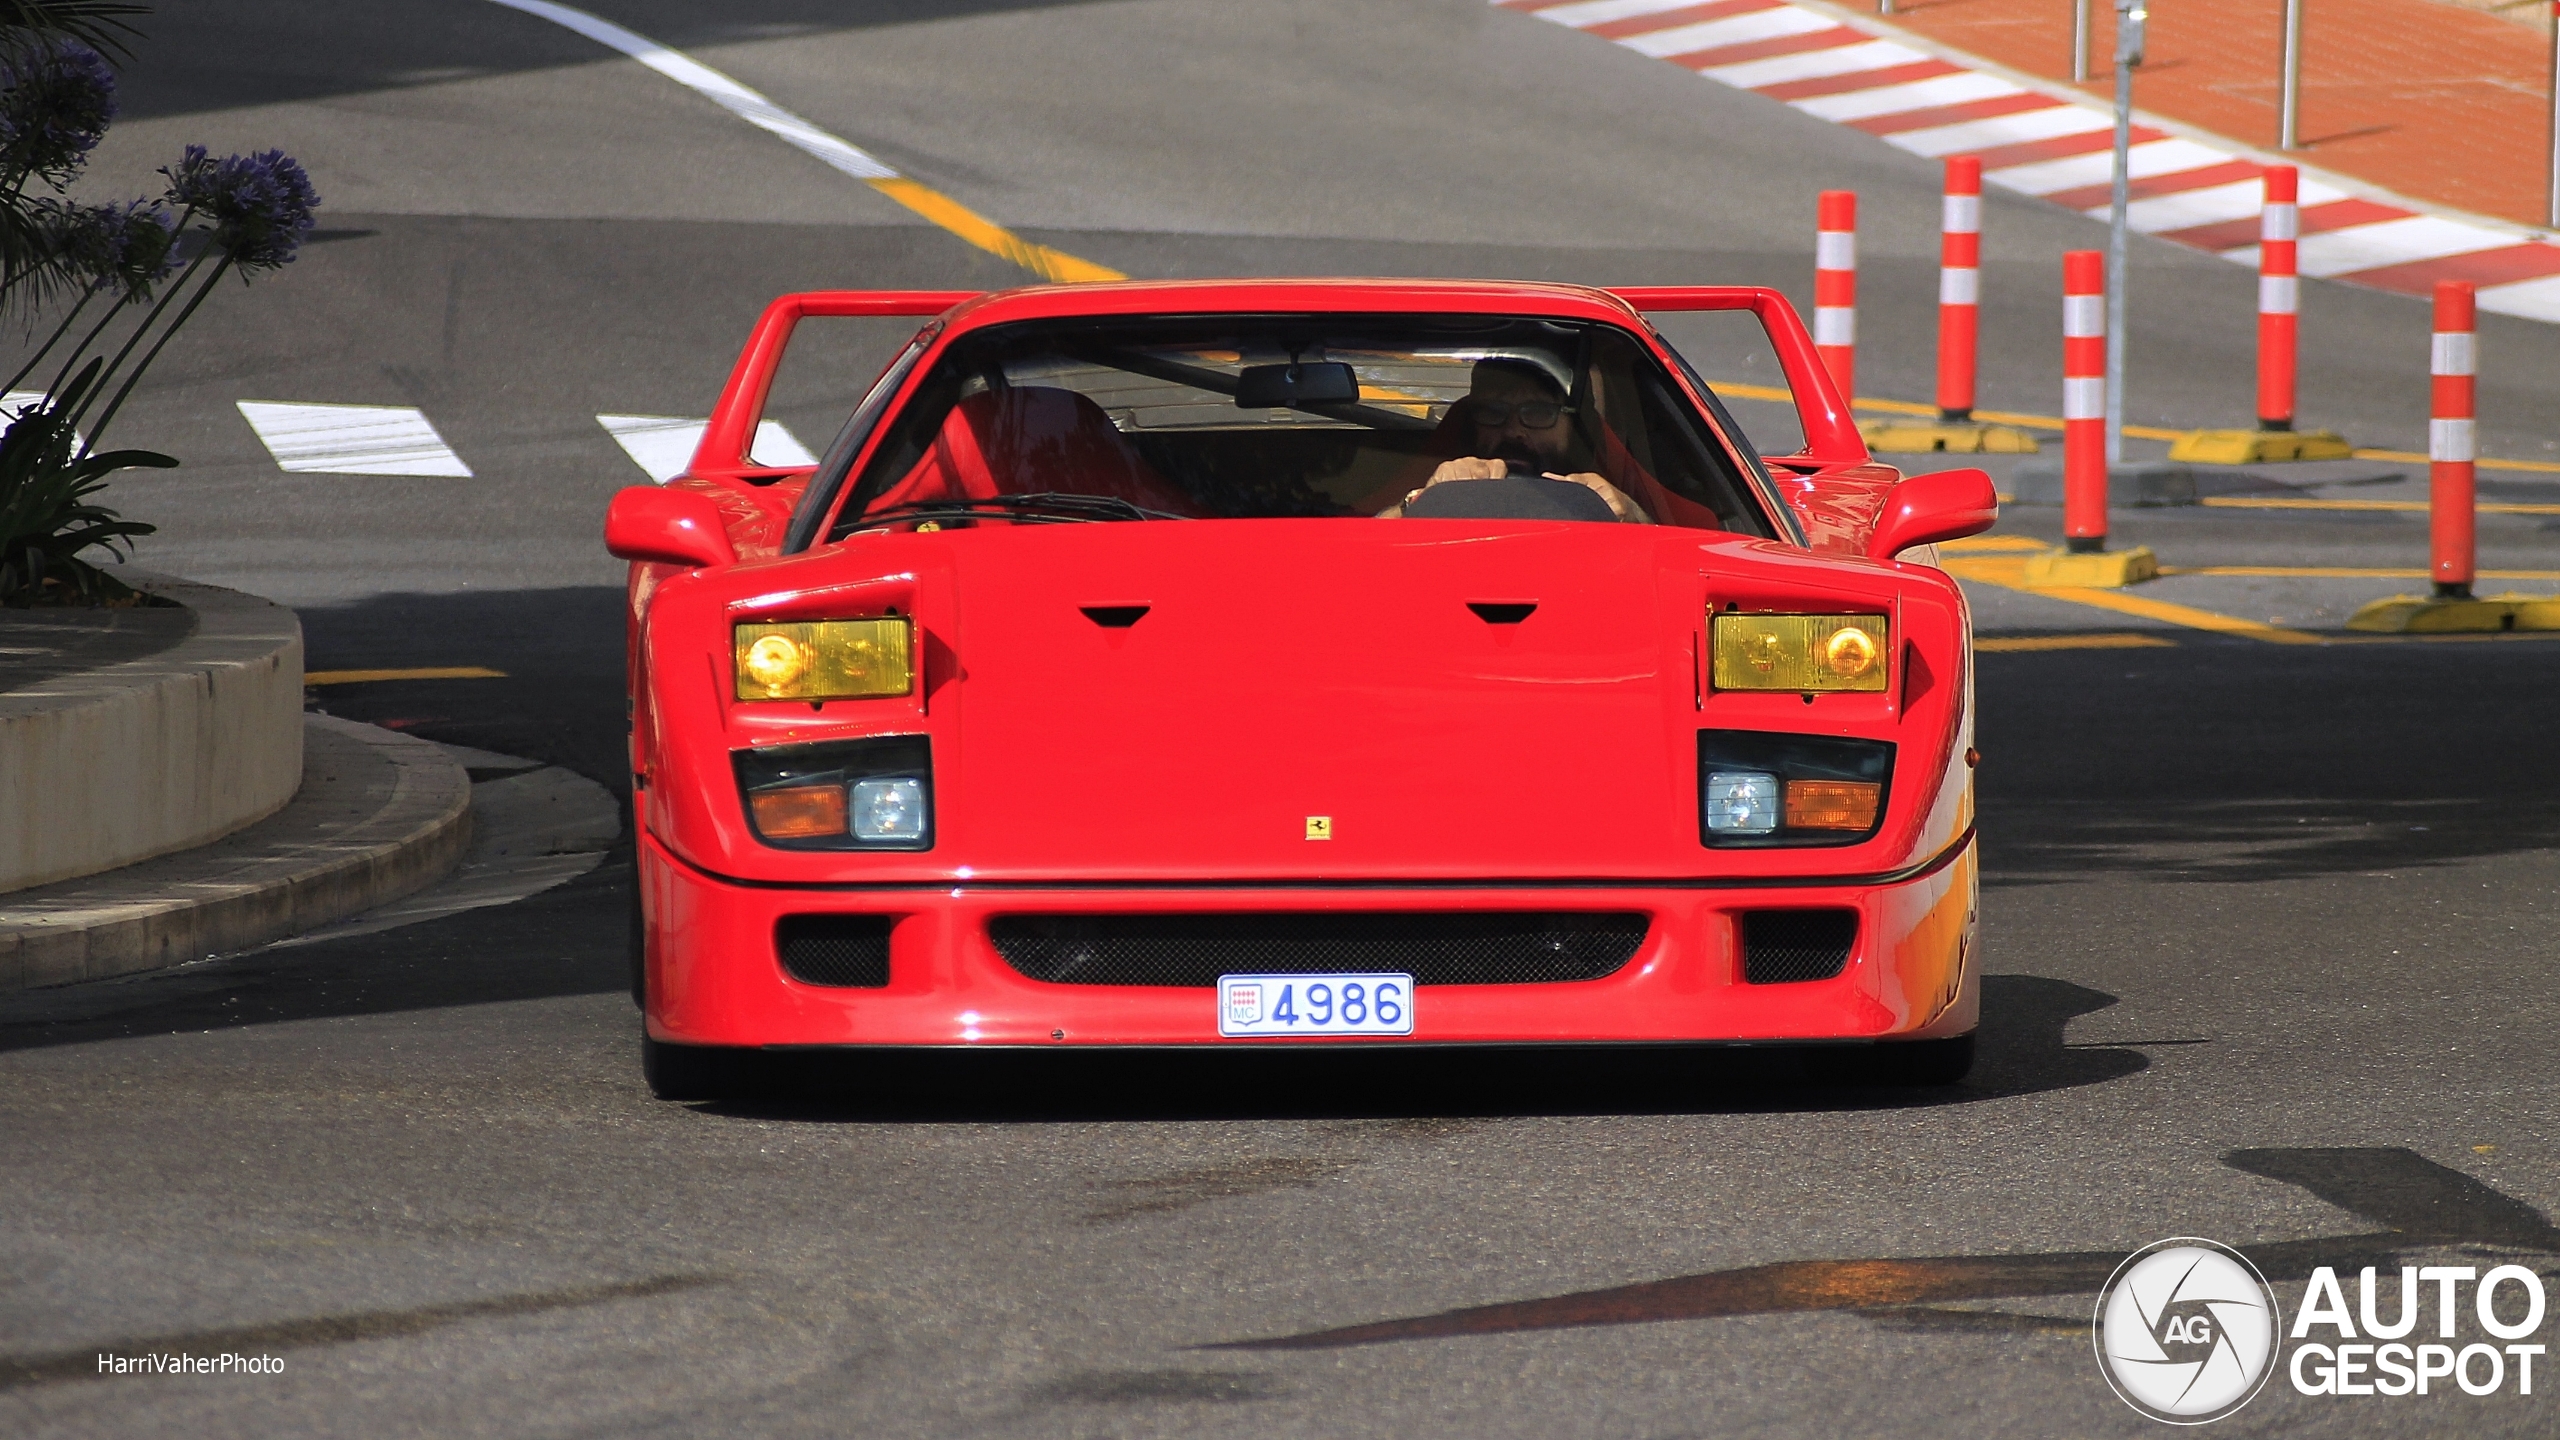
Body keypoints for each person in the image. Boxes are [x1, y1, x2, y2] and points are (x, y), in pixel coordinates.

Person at [1376, 358, 1652, 522]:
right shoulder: (1439, 478)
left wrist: (1631, 515)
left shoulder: (1617, 477)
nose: (1512, 431)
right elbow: (1356, 546)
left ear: (1576, 426)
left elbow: (1684, 550)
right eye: (1493, 412)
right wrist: (1424, 499)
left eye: (1539, 412)